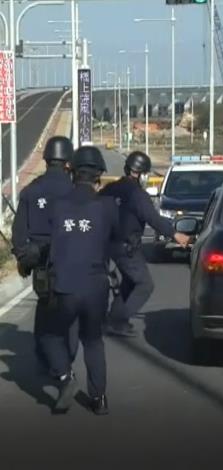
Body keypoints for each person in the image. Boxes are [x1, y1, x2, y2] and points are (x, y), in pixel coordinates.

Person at [43, 146, 120, 415]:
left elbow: (46, 241)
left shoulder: (58, 205)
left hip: (64, 286)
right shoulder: (108, 207)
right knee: (93, 341)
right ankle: (99, 400)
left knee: (51, 336)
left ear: (71, 171)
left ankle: (66, 378)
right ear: (99, 175)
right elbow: (116, 238)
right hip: (96, 287)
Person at [100, 151, 190, 337]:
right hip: (127, 247)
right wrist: (175, 235)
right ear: (142, 173)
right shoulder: (138, 194)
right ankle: (118, 320)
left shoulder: (110, 189)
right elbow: (153, 219)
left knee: (129, 283)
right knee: (145, 285)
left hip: (108, 244)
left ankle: (114, 318)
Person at [11, 136, 78, 376]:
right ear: (68, 162)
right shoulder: (76, 191)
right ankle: (66, 360)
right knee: (71, 318)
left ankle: (50, 362)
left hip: (42, 269)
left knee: (46, 317)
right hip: (74, 267)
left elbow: (19, 236)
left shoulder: (31, 191)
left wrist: (23, 259)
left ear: (46, 159)